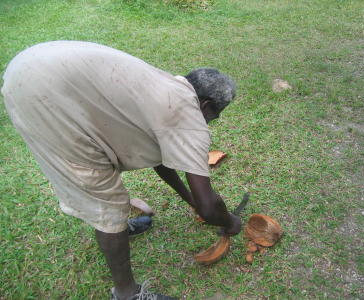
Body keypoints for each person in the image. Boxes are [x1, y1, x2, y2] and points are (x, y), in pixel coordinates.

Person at [1, 41, 241, 300]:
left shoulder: (170, 88)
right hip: (44, 93)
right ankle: (126, 293)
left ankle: (115, 230)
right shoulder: (187, 116)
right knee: (106, 199)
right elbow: (208, 206)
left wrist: (188, 197)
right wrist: (230, 221)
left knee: (106, 196)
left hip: (31, 66)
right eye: (216, 115)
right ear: (205, 105)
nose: (212, 121)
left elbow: (160, 158)